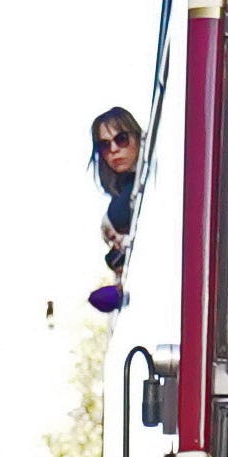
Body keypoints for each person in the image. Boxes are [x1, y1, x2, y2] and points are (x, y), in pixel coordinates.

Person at [89, 106, 145, 311]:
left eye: (121, 139)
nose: (113, 149)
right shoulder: (124, 196)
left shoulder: (150, 183)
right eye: (104, 145)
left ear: (138, 138)